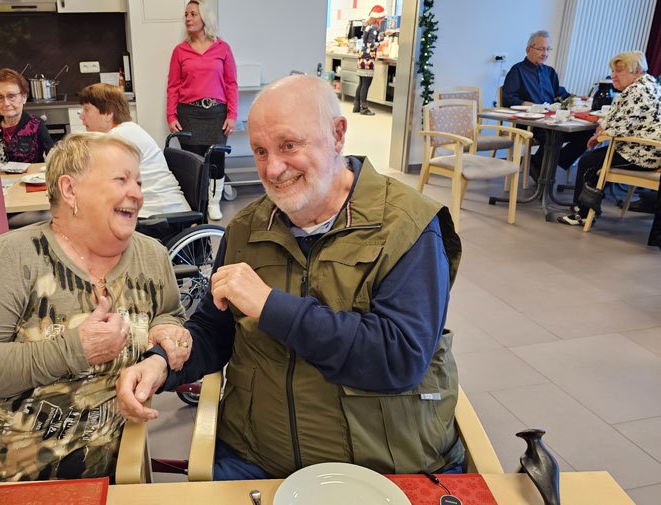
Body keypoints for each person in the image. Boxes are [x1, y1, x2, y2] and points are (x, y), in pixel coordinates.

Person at [117, 75, 465, 479]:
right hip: (257, 458)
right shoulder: (246, 229)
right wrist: (163, 362)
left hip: (382, 466)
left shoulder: (407, 227)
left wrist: (270, 305)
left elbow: (399, 357)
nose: (273, 168)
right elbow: (213, 330)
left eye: (289, 146)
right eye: (261, 151)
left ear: (337, 136)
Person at [0, 133, 192, 481]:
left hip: (88, 478)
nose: (137, 193)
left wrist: (162, 343)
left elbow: (168, 313)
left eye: (138, 181)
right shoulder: (15, 256)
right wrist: (75, 349)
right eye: (121, 179)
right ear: (70, 189)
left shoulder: (152, 256)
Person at [558, 51, 661, 226]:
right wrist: (603, 129)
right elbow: (620, 118)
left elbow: (621, 125)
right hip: (647, 150)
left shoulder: (637, 90)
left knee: (588, 162)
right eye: (613, 70)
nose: (613, 75)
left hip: (641, 154)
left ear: (636, 71)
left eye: (619, 71)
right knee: (595, 160)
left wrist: (599, 136)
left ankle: (582, 213)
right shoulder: (649, 84)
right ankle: (585, 208)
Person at [167, 0, 238, 221]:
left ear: (205, 18)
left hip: (217, 113)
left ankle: (214, 203)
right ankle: (198, 202)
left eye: (193, 14)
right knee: (194, 162)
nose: (188, 18)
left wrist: (232, 115)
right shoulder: (180, 51)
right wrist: (171, 115)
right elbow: (173, 86)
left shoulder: (222, 48)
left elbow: (231, 83)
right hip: (189, 114)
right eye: (186, 14)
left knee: (216, 159)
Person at [78, 83, 191, 218]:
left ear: (108, 114)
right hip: (162, 210)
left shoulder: (118, 138)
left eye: (87, 110)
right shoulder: (127, 129)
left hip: (160, 217)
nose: (81, 116)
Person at [503, 30, 590, 181]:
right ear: (528, 49)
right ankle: (541, 169)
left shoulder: (549, 72)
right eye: (541, 49)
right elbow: (508, 98)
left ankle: (543, 164)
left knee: (585, 134)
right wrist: (525, 103)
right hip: (529, 122)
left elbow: (559, 93)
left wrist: (576, 98)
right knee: (554, 135)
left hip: (550, 121)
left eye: (548, 49)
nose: (545, 53)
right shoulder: (517, 70)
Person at [0, 68, 54, 164]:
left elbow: (54, 159)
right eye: (0, 97)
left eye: (11, 96)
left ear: (23, 97)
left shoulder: (36, 125)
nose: (6, 103)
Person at [353, 5, 386, 116]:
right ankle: (364, 108)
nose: (382, 20)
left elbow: (367, 40)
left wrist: (382, 36)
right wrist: (379, 43)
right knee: (366, 84)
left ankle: (356, 106)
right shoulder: (374, 28)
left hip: (362, 57)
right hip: (368, 59)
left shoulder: (367, 26)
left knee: (361, 83)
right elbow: (370, 44)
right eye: (382, 18)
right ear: (378, 17)